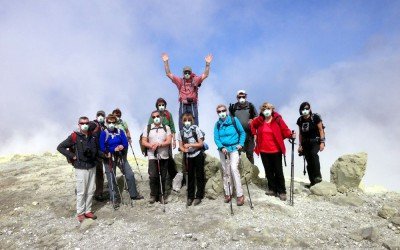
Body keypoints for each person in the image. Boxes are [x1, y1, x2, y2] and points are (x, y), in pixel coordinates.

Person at [57, 116, 104, 222]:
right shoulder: (74, 136)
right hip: (80, 167)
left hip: (92, 166)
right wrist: (72, 156)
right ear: (79, 124)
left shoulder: (93, 136)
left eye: (86, 123)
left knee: (91, 190)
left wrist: (105, 155)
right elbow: (60, 147)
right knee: (81, 191)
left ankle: (88, 210)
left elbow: (96, 151)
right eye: (82, 123)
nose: (85, 125)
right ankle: (80, 212)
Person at [250, 102, 296, 201]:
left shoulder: (277, 119)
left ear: (272, 109)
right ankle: (272, 189)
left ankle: (282, 191)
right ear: (262, 111)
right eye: (264, 109)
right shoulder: (260, 120)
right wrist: (254, 134)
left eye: (268, 108)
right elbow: (252, 125)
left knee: (278, 171)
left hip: (276, 150)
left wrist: (290, 135)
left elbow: (285, 129)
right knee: (268, 170)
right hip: (263, 150)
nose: (266, 110)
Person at [99, 114, 143, 208]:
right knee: (111, 177)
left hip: (120, 156)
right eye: (109, 122)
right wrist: (112, 150)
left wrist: (122, 146)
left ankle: (133, 194)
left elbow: (125, 143)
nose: (111, 124)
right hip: (109, 158)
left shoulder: (120, 131)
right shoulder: (104, 133)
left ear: (116, 123)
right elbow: (102, 146)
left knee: (130, 174)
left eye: (113, 122)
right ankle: (114, 199)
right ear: (106, 122)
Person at [161, 52, 213, 130]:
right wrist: (166, 62)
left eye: (189, 72)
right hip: (183, 104)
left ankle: (195, 135)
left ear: (191, 73)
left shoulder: (195, 80)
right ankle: (182, 137)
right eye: (186, 72)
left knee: (194, 120)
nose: (187, 73)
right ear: (183, 73)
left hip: (192, 104)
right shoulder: (180, 81)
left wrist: (207, 64)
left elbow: (205, 75)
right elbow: (168, 74)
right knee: (182, 119)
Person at [214, 104, 246, 206]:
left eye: (223, 110)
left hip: (234, 148)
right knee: (226, 171)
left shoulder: (233, 120)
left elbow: (242, 132)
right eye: (219, 111)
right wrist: (221, 147)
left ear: (226, 111)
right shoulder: (217, 124)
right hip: (223, 150)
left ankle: (240, 194)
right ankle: (228, 193)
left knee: (233, 168)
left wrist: (241, 143)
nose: (221, 113)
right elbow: (216, 138)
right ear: (217, 113)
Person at [141, 110, 172, 204]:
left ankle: (161, 195)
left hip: (164, 155)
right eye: (153, 117)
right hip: (152, 155)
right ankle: (153, 195)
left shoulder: (166, 128)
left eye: (157, 116)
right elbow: (143, 141)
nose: (156, 118)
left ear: (161, 117)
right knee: (153, 176)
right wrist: (151, 146)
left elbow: (169, 141)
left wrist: (160, 144)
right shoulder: (147, 128)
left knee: (163, 176)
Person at [148, 98, 177, 186]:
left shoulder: (168, 114)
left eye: (162, 105)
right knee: (155, 159)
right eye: (159, 105)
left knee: (168, 157)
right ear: (157, 106)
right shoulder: (154, 115)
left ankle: (172, 176)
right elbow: (149, 127)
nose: (161, 106)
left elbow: (172, 127)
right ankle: (157, 177)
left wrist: (174, 140)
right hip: (156, 140)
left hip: (167, 140)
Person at [178, 113, 205, 206]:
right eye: (185, 120)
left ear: (192, 121)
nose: (187, 122)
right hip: (188, 156)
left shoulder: (196, 129)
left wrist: (189, 145)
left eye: (189, 120)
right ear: (182, 122)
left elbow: (200, 144)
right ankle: (190, 197)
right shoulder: (181, 132)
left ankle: (199, 196)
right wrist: (184, 150)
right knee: (190, 176)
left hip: (198, 154)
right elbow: (180, 146)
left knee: (199, 175)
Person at [296, 101, 325, 187]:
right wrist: (300, 145)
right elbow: (300, 133)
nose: (305, 110)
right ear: (300, 110)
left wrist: (322, 142)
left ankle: (317, 177)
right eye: (303, 109)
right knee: (308, 161)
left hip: (315, 141)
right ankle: (312, 182)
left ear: (309, 109)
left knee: (313, 155)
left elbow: (321, 130)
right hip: (305, 143)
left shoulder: (315, 118)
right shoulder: (300, 120)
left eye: (306, 108)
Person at [229, 90, 258, 164]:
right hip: (238, 135)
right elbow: (230, 120)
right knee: (238, 154)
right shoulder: (234, 107)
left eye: (243, 96)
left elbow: (257, 118)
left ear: (246, 96)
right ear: (237, 97)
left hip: (249, 135)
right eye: (239, 97)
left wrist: (253, 120)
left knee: (249, 154)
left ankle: (251, 173)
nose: (241, 98)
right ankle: (239, 173)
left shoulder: (250, 106)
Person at [89, 110, 107, 201]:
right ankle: (88, 192)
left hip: (100, 153)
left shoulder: (104, 127)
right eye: (99, 115)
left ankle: (98, 193)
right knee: (91, 173)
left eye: (102, 115)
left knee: (99, 174)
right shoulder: (93, 124)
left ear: (104, 117)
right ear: (96, 116)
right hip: (93, 153)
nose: (100, 116)